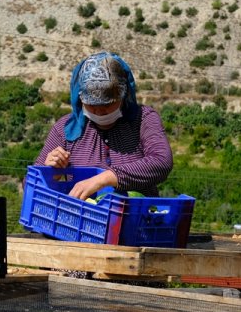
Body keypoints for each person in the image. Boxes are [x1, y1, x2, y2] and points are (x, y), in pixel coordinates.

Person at [34, 51, 173, 200]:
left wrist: (105, 178)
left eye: (108, 104)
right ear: (80, 98)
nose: (99, 111)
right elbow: (31, 185)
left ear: (123, 96)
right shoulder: (65, 129)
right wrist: (47, 172)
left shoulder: (143, 119)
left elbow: (161, 161)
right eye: (92, 104)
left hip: (136, 217)